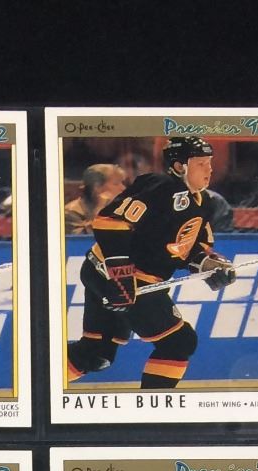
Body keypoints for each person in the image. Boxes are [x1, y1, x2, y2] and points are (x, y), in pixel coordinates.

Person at [65, 135, 238, 391]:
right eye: (201, 163)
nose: (209, 169)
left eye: (210, 162)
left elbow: (190, 250)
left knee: (97, 354)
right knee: (178, 343)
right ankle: (153, 407)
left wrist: (210, 267)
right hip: (116, 275)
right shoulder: (160, 186)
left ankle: (40, 381)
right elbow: (109, 222)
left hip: (118, 276)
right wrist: (120, 274)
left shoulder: (205, 203)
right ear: (179, 166)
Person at [63, 163, 126, 233]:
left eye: (122, 183)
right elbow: (83, 238)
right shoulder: (71, 213)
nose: (123, 188)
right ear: (97, 187)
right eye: (116, 184)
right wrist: (100, 208)